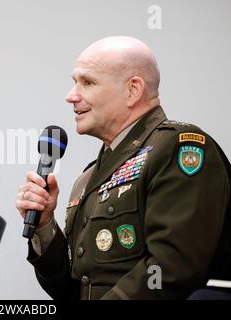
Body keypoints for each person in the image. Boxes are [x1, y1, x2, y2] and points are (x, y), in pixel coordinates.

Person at [16, 36, 231, 300]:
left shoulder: (179, 148)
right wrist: (45, 225)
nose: (71, 96)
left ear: (132, 90)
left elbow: (171, 269)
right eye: (74, 82)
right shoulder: (87, 177)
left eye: (88, 82)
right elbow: (71, 288)